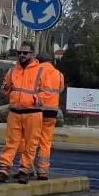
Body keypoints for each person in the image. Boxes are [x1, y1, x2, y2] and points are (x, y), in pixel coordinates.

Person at [0, 40, 44, 183]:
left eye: (25, 53)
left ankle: (24, 170)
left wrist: (37, 99)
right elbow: (6, 90)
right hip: (15, 112)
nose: (21, 55)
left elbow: (48, 92)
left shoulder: (40, 71)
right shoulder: (12, 70)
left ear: (32, 54)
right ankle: (4, 169)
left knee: (30, 144)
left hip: (33, 112)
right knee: (11, 142)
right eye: (19, 53)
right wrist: (5, 88)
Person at [33, 51, 66, 179]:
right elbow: (60, 89)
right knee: (45, 141)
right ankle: (43, 170)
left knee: (32, 139)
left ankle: (28, 167)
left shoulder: (36, 70)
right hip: (52, 111)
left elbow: (32, 88)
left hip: (37, 109)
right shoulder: (58, 74)